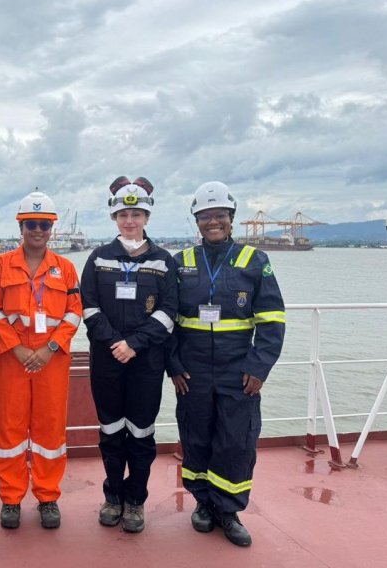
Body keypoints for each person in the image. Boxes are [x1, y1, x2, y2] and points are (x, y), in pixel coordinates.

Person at [170, 181, 285, 547]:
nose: (212, 222)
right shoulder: (181, 263)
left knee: (236, 441)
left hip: (239, 370)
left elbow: (272, 321)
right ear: (197, 221)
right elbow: (166, 321)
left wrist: (259, 367)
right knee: (196, 436)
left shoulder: (255, 261)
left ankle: (229, 509)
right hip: (193, 370)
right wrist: (173, 366)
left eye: (219, 215)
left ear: (232, 219)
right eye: (205, 216)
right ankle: (203, 504)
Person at [80, 176, 177, 533]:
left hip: (146, 363)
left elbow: (170, 312)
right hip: (107, 361)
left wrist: (134, 343)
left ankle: (135, 501)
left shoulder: (164, 261)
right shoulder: (98, 258)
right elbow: (88, 307)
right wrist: (113, 343)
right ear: (114, 218)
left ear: (147, 218)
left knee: (141, 433)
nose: (130, 220)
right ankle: (113, 496)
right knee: (110, 431)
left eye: (136, 213)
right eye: (123, 214)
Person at [0, 190, 82, 530]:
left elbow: (74, 314)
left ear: (51, 228)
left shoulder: (66, 269)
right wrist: (16, 348)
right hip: (12, 360)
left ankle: (47, 497)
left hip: (51, 361)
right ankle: (11, 499)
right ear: (20, 227)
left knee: (49, 430)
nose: (37, 230)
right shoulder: (1, 266)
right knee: (9, 430)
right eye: (31, 224)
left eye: (43, 224)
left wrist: (49, 349)